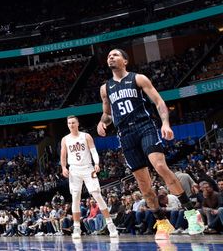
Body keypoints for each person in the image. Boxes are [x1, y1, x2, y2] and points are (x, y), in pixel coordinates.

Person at [97, 48, 204, 238]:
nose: (110, 57)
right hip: (125, 134)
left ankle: (192, 214)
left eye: (115, 55)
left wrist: (165, 123)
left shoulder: (138, 79)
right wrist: (102, 123)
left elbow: (159, 101)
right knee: (144, 185)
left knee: (161, 167)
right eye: (108, 56)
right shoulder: (105, 88)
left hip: (144, 127)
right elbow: (107, 114)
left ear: (125, 60)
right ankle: (162, 223)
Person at [60, 115, 118, 238]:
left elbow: (93, 151)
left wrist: (96, 163)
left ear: (77, 123)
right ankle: (76, 228)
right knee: (75, 197)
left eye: (73, 122)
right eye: (69, 123)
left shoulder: (86, 136)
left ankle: (110, 224)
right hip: (74, 169)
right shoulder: (65, 139)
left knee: (96, 194)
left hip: (87, 168)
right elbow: (63, 155)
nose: (71, 125)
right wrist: (64, 167)